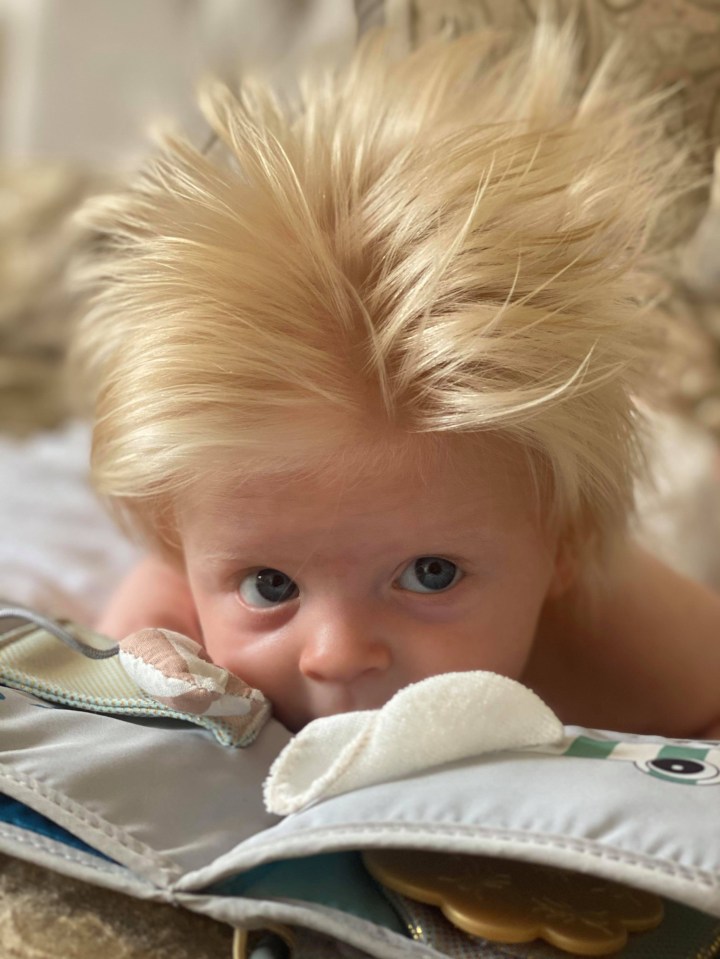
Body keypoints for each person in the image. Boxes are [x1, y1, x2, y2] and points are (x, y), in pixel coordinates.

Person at [72, 22, 720, 736]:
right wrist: (145, 637)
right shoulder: (221, 554)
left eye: (431, 573)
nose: (338, 653)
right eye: (271, 586)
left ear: (561, 547)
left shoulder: (647, 660)